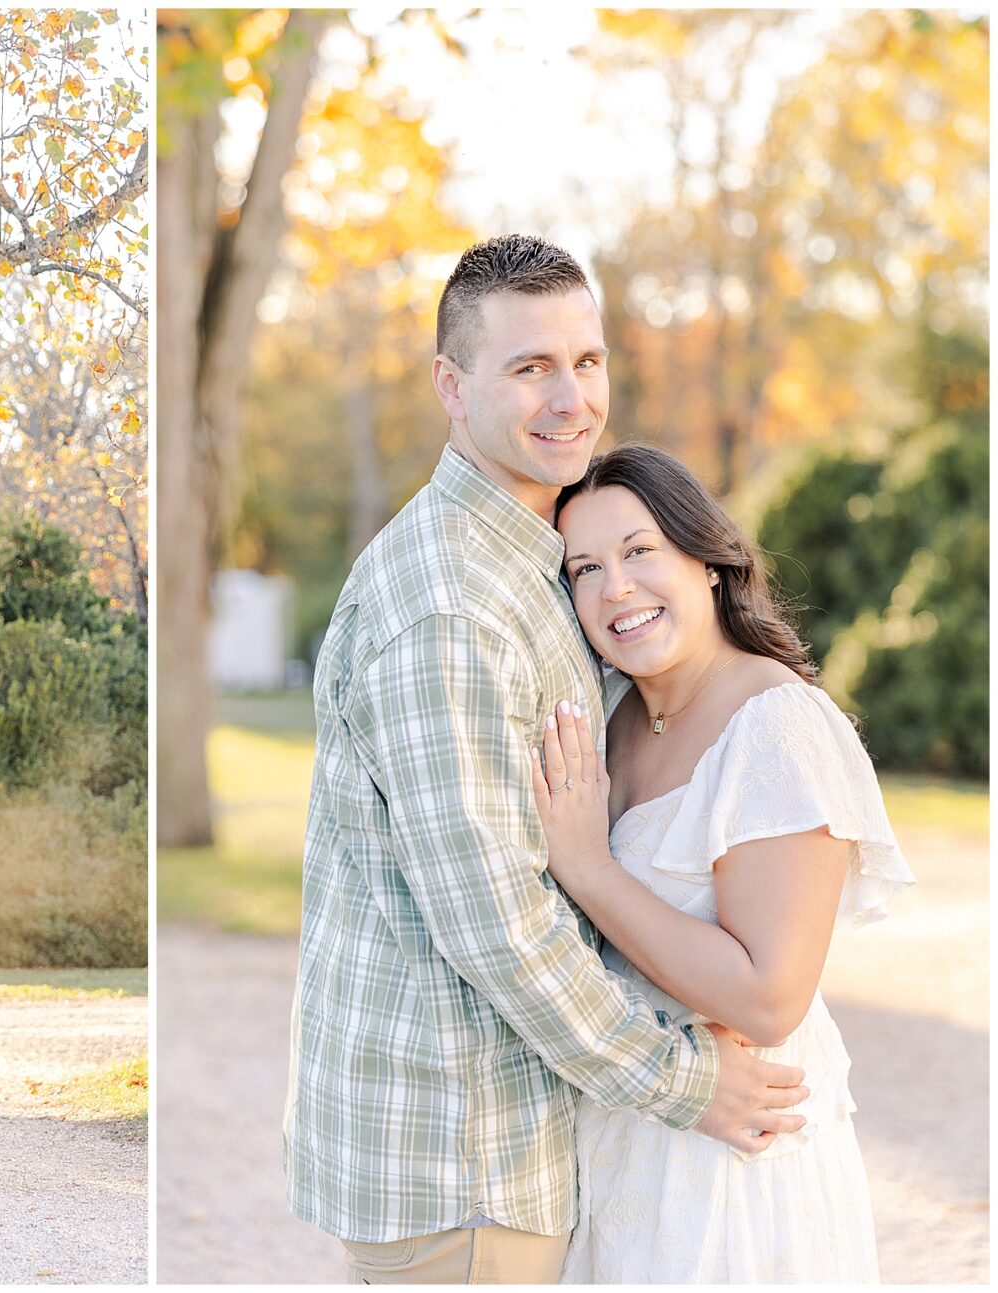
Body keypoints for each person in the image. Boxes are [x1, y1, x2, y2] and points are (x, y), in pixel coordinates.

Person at [284, 234, 810, 1285]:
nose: (569, 398)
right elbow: (493, 921)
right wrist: (680, 1081)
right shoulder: (449, 605)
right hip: (463, 1149)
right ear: (451, 384)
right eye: (529, 368)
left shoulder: (540, 559)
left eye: (587, 361)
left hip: (515, 1138)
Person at [532, 444, 913, 1281]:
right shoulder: (614, 715)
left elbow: (770, 996)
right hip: (627, 1130)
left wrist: (591, 870)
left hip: (735, 1162)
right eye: (584, 568)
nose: (616, 589)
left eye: (640, 551)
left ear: (704, 558)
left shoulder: (777, 725)